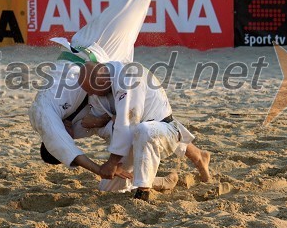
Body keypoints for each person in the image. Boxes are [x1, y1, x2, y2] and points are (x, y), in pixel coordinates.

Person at [29, 0, 177, 179]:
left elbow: (62, 146)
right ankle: (192, 154)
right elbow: (100, 127)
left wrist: (99, 169)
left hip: (94, 44)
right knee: (138, 115)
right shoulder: (72, 123)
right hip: (109, 65)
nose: (74, 135)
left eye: (68, 136)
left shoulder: (43, 115)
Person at [78, 61, 211, 201]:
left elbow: (128, 122)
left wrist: (112, 163)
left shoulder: (129, 76)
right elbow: (104, 127)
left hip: (163, 129)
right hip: (137, 134)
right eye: (89, 91)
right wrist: (103, 121)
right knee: (109, 188)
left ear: (105, 79)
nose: (91, 94)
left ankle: (143, 192)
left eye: (93, 90)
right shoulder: (96, 89)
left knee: (144, 130)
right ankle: (163, 181)